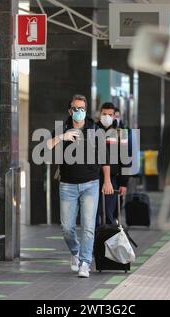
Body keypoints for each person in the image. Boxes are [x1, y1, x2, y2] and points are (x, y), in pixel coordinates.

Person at [47, 94, 113, 278]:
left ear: (86, 110)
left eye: (82, 109)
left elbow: (105, 158)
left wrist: (107, 180)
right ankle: (75, 252)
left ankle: (85, 263)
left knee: (88, 226)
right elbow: (45, 148)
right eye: (75, 109)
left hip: (91, 184)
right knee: (67, 227)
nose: (79, 112)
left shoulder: (95, 129)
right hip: (67, 185)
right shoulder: (62, 129)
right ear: (70, 111)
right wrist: (62, 137)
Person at [95, 102, 129, 225]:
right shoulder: (92, 130)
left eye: (110, 114)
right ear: (100, 114)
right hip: (94, 178)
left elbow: (125, 159)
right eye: (104, 114)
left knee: (109, 212)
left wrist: (124, 182)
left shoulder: (121, 133)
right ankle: (95, 242)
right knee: (94, 214)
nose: (107, 117)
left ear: (115, 116)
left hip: (113, 179)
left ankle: (109, 240)